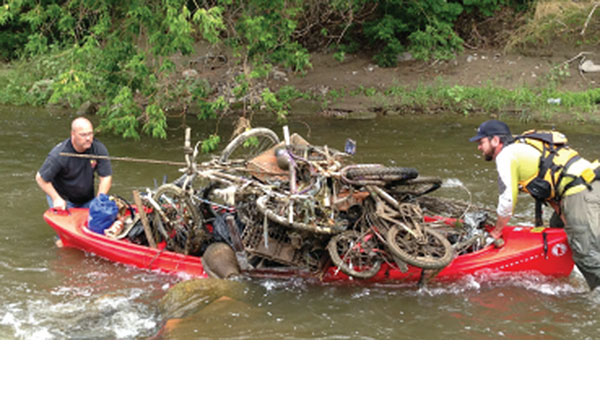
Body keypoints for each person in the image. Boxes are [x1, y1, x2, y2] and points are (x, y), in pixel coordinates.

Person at [470, 119, 600, 290]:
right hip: (588, 185)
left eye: (482, 142)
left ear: (495, 140)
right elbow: (552, 182)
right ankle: (565, 277)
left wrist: (496, 231)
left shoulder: (505, 156)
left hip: (581, 192)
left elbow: (507, 201)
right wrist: (568, 222)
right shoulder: (521, 146)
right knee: (557, 230)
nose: (479, 147)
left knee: (586, 255)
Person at [36, 117, 112, 245]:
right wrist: (56, 198)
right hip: (63, 198)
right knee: (66, 240)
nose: (88, 138)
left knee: (94, 232)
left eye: (90, 134)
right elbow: (40, 178)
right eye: (83, 135)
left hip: (87, 198)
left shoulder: (98, 148)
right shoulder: (59, 154)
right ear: (73, 134)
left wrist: (100, 199)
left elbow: (106, 176)